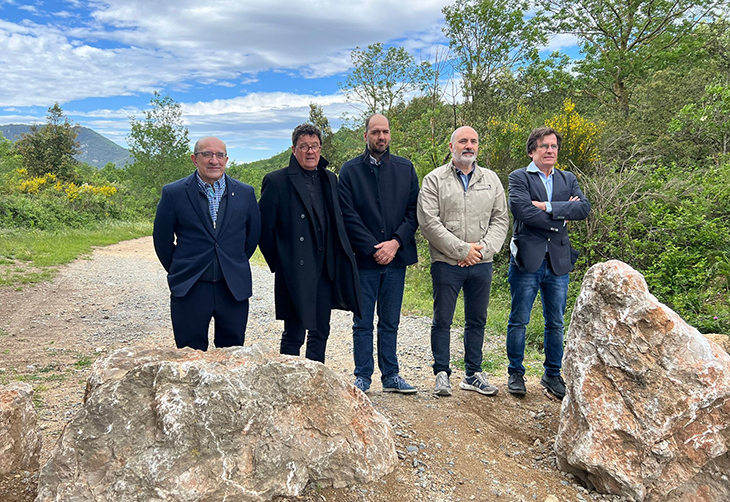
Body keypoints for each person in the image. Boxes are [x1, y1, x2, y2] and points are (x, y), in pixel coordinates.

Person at [417, 126, 509, 396]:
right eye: (463, 141)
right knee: (442, 319)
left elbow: (501, 219)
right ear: (451, 146)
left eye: (473, 141)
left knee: (477, 319)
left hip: (481, 263)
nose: (469, 145)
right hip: (446, 263)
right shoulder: (434, 180)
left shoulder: (491, 180)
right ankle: (441, 373)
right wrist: (461, 251)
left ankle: (473, 373)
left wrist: (482, 251)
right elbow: (429, 223)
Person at [258, 123, 361, 363]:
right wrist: (282, 263)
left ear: (320, 148)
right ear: (294, 150)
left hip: (326, 269)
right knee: (293, 333)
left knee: (320, 331)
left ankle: (315, 379)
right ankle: (287, 381)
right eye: (304, 146)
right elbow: (264, 231)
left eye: (314, 146)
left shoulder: (329, 178)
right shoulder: (276, 181)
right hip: (294, 270)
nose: (310, 152)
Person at [153, 136, 261, 351]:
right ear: (194, 159)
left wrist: (231, 261)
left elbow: (252, 236)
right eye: (207, 154)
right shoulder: (173, 193)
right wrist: (180, 268)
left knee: (232, 355)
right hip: (191, 286)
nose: (214, 160)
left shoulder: (245, 193)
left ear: (226, 159)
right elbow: (162, 240)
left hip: (232, 287)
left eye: (219, 155)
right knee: (189, 356)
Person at [506, 126, 591, 400]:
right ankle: (515, 373)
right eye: (544, 146)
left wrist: (546, 206)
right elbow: (521, 210)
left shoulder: (568, 178)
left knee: (556, 321)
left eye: (554, 146)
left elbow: (583, 209)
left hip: (558, 262)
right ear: (532, 151)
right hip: (527, 260)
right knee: (519, 319)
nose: (550, 150)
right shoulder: (518, 177)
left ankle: (552, 374)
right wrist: (561, 213)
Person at [339, 114, 420, 394]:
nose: (381, 137)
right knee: (362, 322)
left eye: (385, 132)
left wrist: (395, 243)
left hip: (397, 260)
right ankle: (362, 376)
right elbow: (347, 216)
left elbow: (414, 212)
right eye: (375, 132)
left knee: (390, 321)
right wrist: (374, 248)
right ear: (365, 136)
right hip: (363, 261)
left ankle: (391, 375)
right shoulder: (349, 171)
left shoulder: (405, 168)